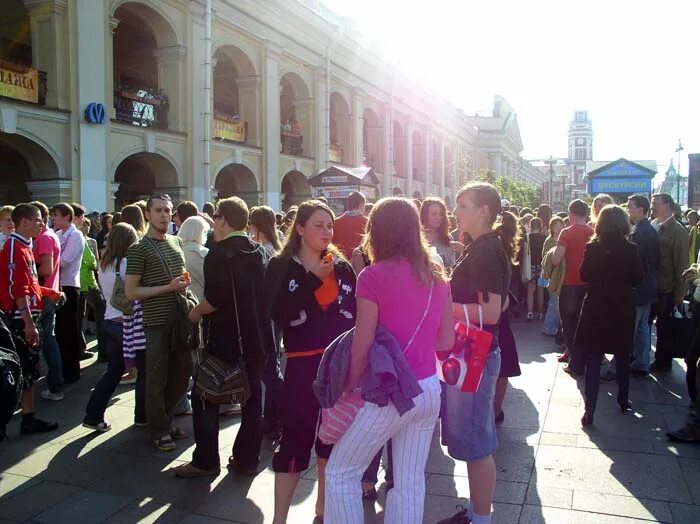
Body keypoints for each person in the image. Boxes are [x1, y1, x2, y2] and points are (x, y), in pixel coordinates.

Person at [324, 197, 455, 523]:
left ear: (376, 231)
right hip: (428, 389)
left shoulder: (372, 276)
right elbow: (446, 340)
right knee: (409, 480)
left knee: (341, 471)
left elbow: (363, 343)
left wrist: (349, 386)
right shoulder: (437, 276)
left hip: (389, 390)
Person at [264, 200, 356, 523]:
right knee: (294, 440)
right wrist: (312, 280)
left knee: (332, 439)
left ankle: (323, 511)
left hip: (338, 367)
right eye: (319, 225)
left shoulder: (342, 266)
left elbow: (352, 315)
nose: (327, 231)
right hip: (301, 367)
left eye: (330, 226)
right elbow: (278, 312)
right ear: (300, 229)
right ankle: (279, 519)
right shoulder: (281, 266)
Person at [173, 197, 273, 478]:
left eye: (216, 217)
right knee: (253, 400)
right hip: (257, 339)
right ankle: (247, 460)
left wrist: (194, 314)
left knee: (205, 396)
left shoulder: (218, 253)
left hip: (226, 339)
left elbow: (214, 300)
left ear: (222, 220)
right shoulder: (258, 251)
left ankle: (206, 462)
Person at [439, 183, 512, 524]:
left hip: (476, 352)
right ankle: (475, 512)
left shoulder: (486, 250)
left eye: (462, 204)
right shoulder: (483, 247)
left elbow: (493, 312)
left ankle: (481, 518)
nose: (456, 211)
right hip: (474, 350)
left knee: (476, 440)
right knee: (472, 436)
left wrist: (440, 305)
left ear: (483, 211)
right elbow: (502, 303)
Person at [124, 194, 192, 452]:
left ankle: (166, 419)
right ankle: (159, 429)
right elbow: (132, 292)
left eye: (168, 210)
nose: (164, 215)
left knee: (182, 372)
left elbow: (180, 279)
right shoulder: (138, 248)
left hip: (180, 319)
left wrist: (183, 288)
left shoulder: (177, 241)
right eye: (159, 210)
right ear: (148, 214)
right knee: (156, 377)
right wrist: (168, 287)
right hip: (155, 321)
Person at [576, 205, 643, 426]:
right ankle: (623, 399)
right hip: (622, 308)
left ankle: (590, 409)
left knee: (593, 359)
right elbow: (637, 279)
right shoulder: (631, 248)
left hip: (596, 307)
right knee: (623, 356)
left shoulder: (593, 247)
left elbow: (584, 274)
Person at [0, 204, 59, 439]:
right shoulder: (15, 246)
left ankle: (28, 417)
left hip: (25, 315)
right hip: (18, 318)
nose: (41, 224)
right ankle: (16, 419)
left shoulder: (24, 245)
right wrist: (28, 322)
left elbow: (27, 283)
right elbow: (17, 288)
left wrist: (46, 292)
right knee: (19, 370)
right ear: (23, 222)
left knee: (29, 371)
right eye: (37, 220)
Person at [83, 223, 140, 432]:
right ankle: (142, 417)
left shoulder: (105, 263)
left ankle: (93, 414)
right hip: (127, 324)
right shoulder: (127, 264)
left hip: (109, 321)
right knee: (143, 371)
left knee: (113, 372)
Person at [551, 200, 593, 375]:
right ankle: (586, 360)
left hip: (569, 285)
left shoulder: (566, 233)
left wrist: (551, 253)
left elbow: (556, 259)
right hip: (589, 286)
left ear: (571, 213)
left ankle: (575, 363)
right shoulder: (593, 231)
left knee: (569, 325)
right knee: (584, 325)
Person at [650, 193, 690, 372]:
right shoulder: (655, 225)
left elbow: (681, 264)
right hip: (653, 285)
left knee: (664, 327)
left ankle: (663, 361)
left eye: (656, 203)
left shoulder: (678, 231)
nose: (653, 206)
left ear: (667, 205)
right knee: (654, 324)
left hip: (666, 288)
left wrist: (680, 293)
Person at [29, 201, 64, 401]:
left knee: (47, 341)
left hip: (44, 295)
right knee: (49, 340)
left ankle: (55, 385)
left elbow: (46, 269)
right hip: (49, 293)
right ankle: (55, 383)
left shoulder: (44, 238)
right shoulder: (49, 236)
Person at [493, 212, 522, 425]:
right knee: (502, 366)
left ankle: (492, 411)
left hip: (495, 316)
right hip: (503, 316)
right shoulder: (506, 248)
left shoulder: (492, 250)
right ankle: (496, 410)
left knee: (497, 365)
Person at [51, 203, 84, 384]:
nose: (53, 219)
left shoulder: (76, 235)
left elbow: (65, 260)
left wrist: (46, 261)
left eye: (56, 215)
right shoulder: (57, 234)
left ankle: (72, 371)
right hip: (58, 285)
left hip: (70, 286)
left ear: (67, 217)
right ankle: (63, 368)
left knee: (69, 330)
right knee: (60, 331)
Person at [628, 195, 660, 376]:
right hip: (649, 286)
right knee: (643, 327)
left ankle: (630, 362)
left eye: (631, 207)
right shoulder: (651, 230)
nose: (629, 210)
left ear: (641, 209)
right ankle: (642, 362)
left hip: (639, 287)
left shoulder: (639, 232)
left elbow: (635, 263)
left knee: (634, 327)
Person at [421, 197, 459, 270]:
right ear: (425, 215)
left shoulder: (447, 237)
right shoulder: (418, 237)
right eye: (434, 214)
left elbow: (452, 266)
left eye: (440, 214)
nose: (438, 217)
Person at [177, 216, 210, 302]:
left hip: (181, 301)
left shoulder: (176, 249)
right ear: (200, 232)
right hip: (198, 302)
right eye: (205, 232)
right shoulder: (200, 252)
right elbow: (209, 280)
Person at [332, 191, 368, 259]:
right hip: (361, 262)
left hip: (340, 260)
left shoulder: (335, 222)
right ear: (362, 204)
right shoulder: (368, 222)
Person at [526, 217, 547, 321]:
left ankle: (530, 312)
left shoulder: (527, 238)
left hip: (530, 266)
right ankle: (540, 312)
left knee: (530, 290)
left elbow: (525, 254)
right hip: (542, 266)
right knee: (541, 290)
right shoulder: (544, 238)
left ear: (530, 225)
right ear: (541, 226)